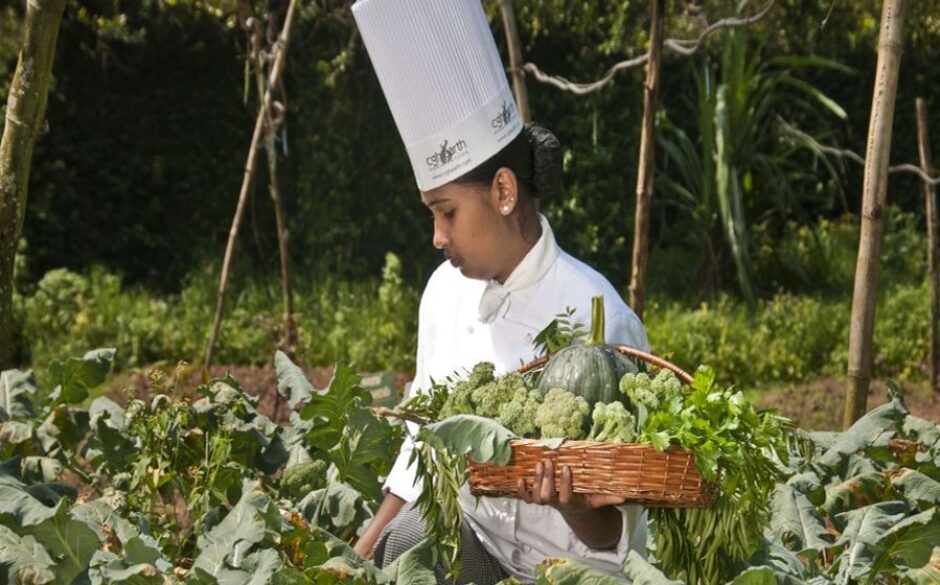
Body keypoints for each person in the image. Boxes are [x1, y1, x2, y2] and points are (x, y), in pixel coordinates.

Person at [350, 1, 649, 582]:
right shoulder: (442, 294)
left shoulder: (601, 320)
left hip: (573, 572)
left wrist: (573, 504)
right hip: (477, 549)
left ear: (504, 192)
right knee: (406, 540)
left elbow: (621, 535)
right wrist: (352, 559)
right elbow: (420, 457)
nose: (436, 238)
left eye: (446, 213)